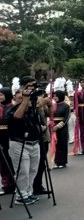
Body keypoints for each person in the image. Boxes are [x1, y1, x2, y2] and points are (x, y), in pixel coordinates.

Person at [6, 76, 44, 205]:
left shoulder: (32, 109)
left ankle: (28, 192)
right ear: (15, 97)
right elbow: (17, 117)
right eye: (20, 97)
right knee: (23, 171)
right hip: (19, 143)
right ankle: (20, 195)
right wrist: (25, 100)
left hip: (34, 143)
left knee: (33, 170)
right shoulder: (12, 109)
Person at [0, 87, 15, 195]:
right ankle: (6, 184)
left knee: (10, 160)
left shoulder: (13, 108)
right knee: (2, 162)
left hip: (9, 136)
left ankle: (14, 183)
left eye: (1, 95)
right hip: (0, 137)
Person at [51, 90, 70, 169]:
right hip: (53, 126)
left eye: (56, 95)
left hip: (62, 127)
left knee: (62, 144)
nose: (54, 97)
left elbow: (66, 118)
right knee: (56, 145)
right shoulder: (52, 106)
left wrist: (58, 126)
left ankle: (63, 161)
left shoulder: (66, 106)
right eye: (54, 96)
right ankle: (56, 161)